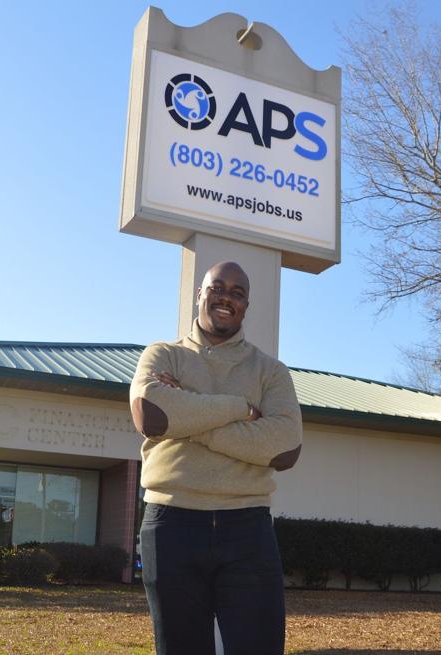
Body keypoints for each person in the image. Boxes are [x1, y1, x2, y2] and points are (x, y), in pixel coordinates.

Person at [129, 260, 303, 655]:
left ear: (246, 305)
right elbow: (151, 414)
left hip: (247, 527)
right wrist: (241, 408)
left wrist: (188, 418)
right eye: (218, 287)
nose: (227, 297)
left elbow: (285, 446)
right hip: (171, 523)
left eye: (238, 292)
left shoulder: (270, 372)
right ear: (200, 294)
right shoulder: (163, 356)